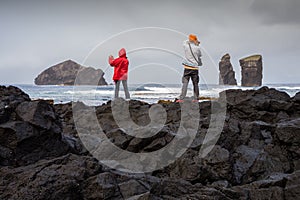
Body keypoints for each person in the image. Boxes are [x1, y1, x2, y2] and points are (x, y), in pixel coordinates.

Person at [177, 34, 202, 102]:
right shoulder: (198, 48)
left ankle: (181, 98)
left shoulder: (186, 46)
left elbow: (184, 42)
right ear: (195, 40)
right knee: (195, 84)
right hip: (195, 69)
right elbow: (200, 55)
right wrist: (197, 43)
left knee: (185, 83)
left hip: (187, 68)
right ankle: (196, 99)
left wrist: (191, 41)